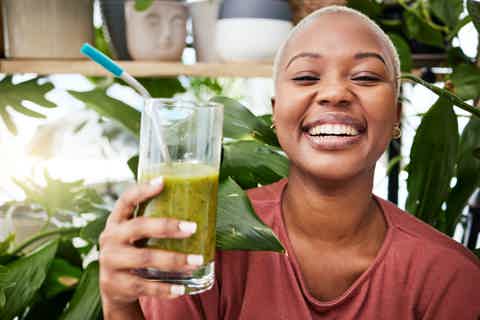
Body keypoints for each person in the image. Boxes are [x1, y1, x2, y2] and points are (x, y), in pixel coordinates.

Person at [98, 6, 480, 320]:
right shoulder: (206, 250)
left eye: (365, 77)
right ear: (276, 114)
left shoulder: (450, 279)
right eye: (306, 76)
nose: (334, 93)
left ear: (396, 115)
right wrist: (120, 306)